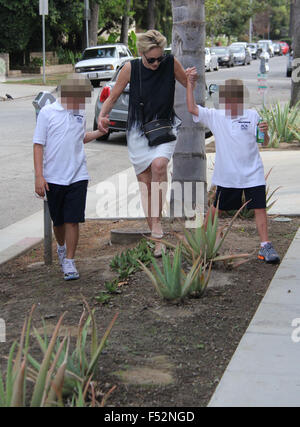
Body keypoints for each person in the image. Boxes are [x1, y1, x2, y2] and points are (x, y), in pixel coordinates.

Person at [97, 30, 187, 257]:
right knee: (146, 186)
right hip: (138, 131)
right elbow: (113, 95)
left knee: (159, 166)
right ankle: (156, 234)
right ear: (141, 54)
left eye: (159, 57)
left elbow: (189, 84)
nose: (156, 63)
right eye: (151, 59)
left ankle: (156, 229)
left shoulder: (170, 63)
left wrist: (197, 103)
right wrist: (102, 116)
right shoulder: (131, 68)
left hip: (165, 127)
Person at [185, 70, 280, 264]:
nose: (231, 103)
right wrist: (189, 84)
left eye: (235, 99)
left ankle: (265, 246)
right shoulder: (216, 116)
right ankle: (201, 243)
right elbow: (192, 108)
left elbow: (265, 143)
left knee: (260, 208)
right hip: (228, 176)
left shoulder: (253, 115)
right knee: (217, 209)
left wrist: (266, 132)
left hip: (253, 173)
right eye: (228, 99)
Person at [33, 74, 109, 280]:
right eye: (78, 98)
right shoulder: (47, 113)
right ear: (66, 94)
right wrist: (39, 176)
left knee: (73, 220)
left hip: (78, 175)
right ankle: (61, 246)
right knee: (58, 222)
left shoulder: (79, 113)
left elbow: (81, 137)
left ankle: (69, 261)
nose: (80, 103)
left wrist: (99, 133)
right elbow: (38, 145)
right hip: (53, 178)